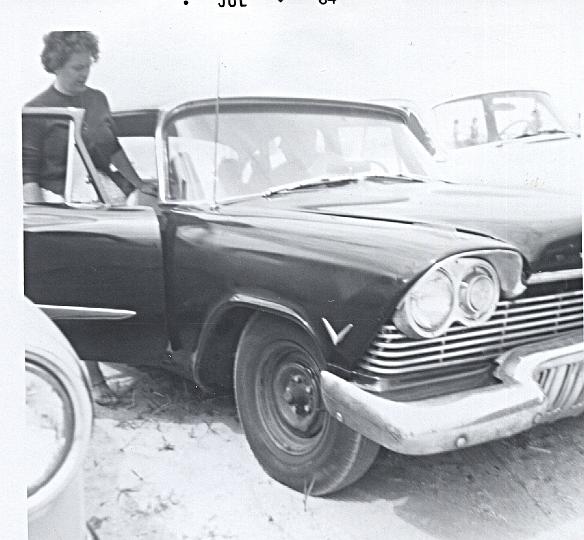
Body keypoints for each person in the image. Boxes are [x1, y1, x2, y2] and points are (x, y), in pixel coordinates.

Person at [23, 31, 153, 405]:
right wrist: (40, 220)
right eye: (77, 67)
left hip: (102, 192)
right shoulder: (38, 110)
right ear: (57, 65)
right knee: (82, 286)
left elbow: (111, 150)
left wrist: (139, 184)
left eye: (88, 66)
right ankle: (94, 377)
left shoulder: (97, 100)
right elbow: (28, 172)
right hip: (58, 200)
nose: (84, 74)